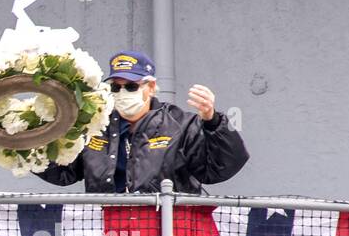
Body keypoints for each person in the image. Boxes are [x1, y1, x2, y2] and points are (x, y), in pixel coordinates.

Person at [36, 50, 249, 193]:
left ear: (150, 86)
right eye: (115, 87)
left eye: (131, 86)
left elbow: (220, 169)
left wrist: (212, 121)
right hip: (109, 232)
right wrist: (28, 146)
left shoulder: (181, 123)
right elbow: (63, 172)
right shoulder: (95, 125)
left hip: (170, 232)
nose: (122, 92)